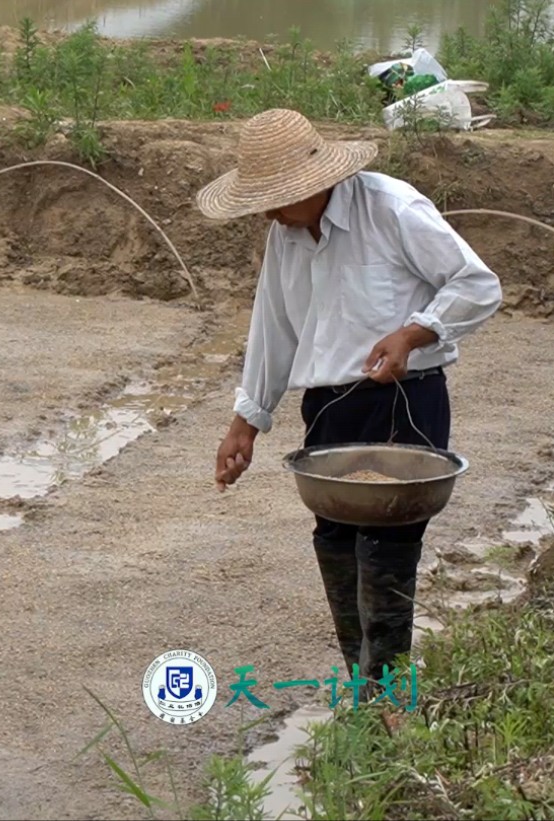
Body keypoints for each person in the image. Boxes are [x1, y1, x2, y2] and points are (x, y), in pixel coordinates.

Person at [195, 109, 502, 686]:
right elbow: (274, 327)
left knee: (389, 543)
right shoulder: (284, 234)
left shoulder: (392, 209)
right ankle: (365, 687)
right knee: (334, 535)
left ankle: (388, 694)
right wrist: (246, 422)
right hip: (330, 409)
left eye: (278, 198)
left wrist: (414, 333)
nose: (269, 211)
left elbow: (477, 285)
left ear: (316, 182)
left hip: (403, 401)